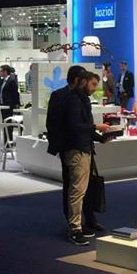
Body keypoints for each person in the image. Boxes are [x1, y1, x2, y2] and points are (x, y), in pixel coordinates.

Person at [48, 68, 111, 246]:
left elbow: (78, 124)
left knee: (79, 188)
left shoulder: (75, 97)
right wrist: (96, 128)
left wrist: (98, 136)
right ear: (79, 80)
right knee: (76, 190)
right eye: (89, 82)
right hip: (76, 148)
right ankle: (75, 228)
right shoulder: (72, 98)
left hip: (78, 147)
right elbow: (73, 125)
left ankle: (80, 223)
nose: (91, 87)